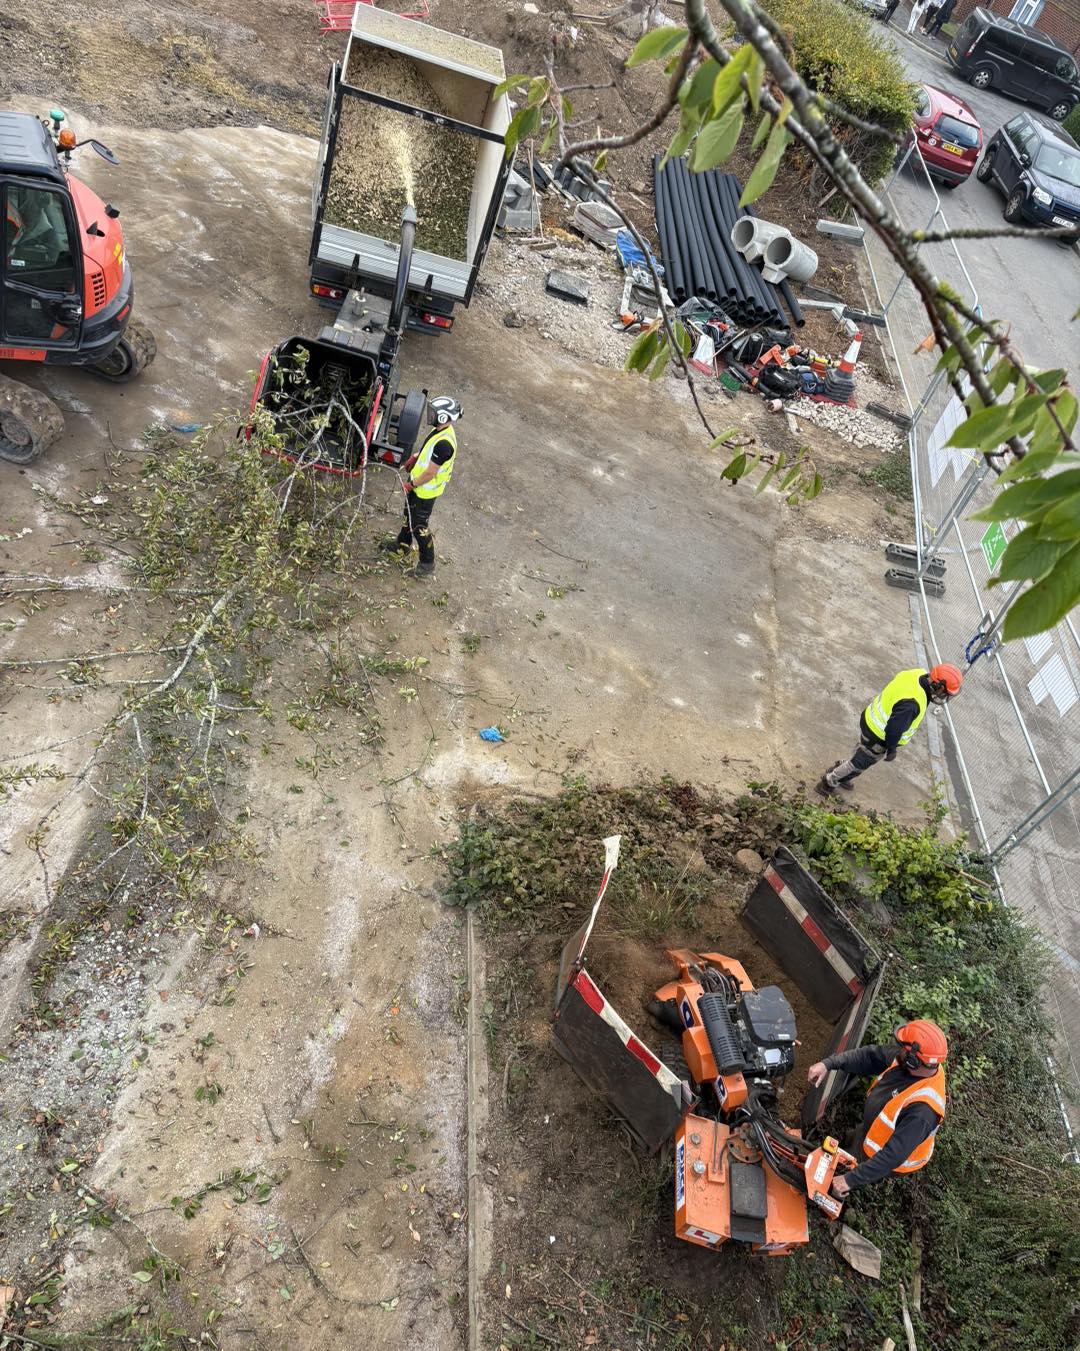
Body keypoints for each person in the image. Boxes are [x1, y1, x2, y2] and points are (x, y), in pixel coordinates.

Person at [807, 1020, 948, 1199]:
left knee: (834, 1179)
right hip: (871, 1132)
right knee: (850, 1140)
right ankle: (847, 1148)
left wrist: (850, 1180)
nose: (899, 1051)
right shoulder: (909, 1062)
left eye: (904, 1049)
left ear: (914, 1061)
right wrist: (828, 1064)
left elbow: (892, 1156)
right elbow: (869, 1057)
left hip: (882, 1156)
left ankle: (823, 1194)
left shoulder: (923, 1112)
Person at [816, 663, 963, 795]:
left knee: (862, 751)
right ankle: (829, 782)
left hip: (869, 719)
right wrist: (892, 749)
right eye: (945, 693)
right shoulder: (912, 705)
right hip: (877, 736)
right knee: (859, 764)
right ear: (939, 686)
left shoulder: (917, 673)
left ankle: (842, 769)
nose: (944, 696)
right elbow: (894, 730)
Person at [380, 395, 462, 580]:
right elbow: (428, 450)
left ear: (443, 417)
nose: (430, 415)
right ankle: (402, 545)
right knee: (408, 515)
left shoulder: (444, 444)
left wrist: (411, 484)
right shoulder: (440, 430)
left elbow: (430, 473)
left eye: (434, 413)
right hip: (419, 486)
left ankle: (427, 564)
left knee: (419, 526)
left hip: (425, 491)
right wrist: (415, 456)